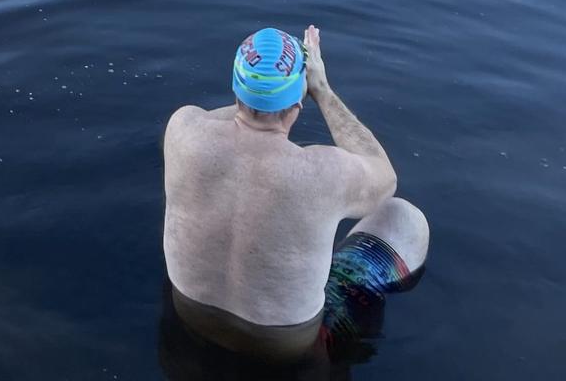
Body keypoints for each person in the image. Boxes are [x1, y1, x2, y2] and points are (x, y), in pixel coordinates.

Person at [161, 25, 428, 366]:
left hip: (191, 325)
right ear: (300, 97)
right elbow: (384, 177)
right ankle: (340, 356)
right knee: (403, 218)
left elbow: (244, 116)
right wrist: (322, 90)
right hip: (287, 350)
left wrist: (263, 92)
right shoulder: (322, 172)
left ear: (236, 87)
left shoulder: (182, 130)